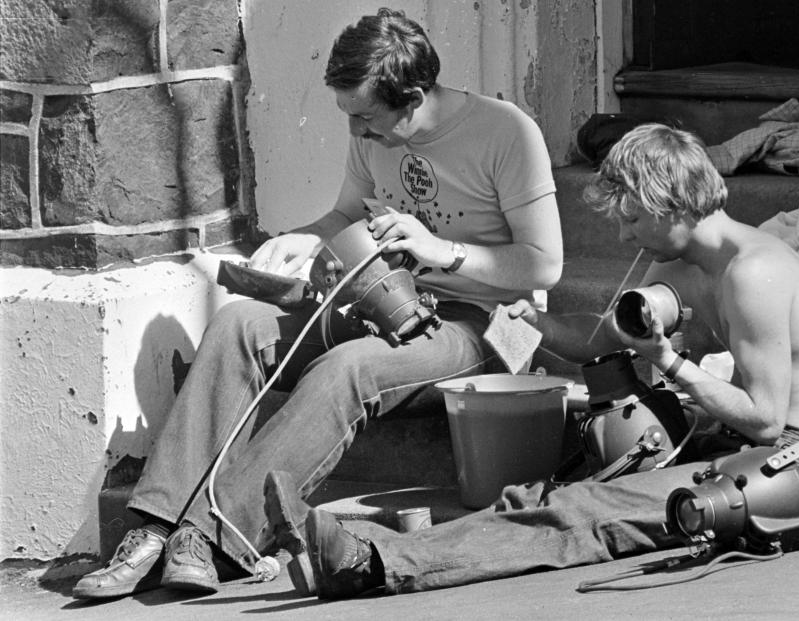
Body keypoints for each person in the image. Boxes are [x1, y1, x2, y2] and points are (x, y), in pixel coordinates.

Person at [72, 8, 562, 600]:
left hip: (483, 325)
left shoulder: (506, 131)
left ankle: (216, 533)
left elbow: (544, 264)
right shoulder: (373, 132)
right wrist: (305, 236)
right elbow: (346, 215)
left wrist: (441, 251)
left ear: (412, 97)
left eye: (366, 118)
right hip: (383, 300)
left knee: (347, 367)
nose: (356, 132)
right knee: (240, 324)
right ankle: (154, 526)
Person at [263, 122, 799, 598]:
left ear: (669, 204)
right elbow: (601, 339)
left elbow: (767, 421)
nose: (622, 237)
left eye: (631, 218)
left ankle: (370, 564)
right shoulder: (680, 266)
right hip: (731, 450)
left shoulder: (755, 273)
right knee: (542, 491)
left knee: (584, 509)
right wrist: (536, 323)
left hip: (786, 474)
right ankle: (358, 541)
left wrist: (668, 361)